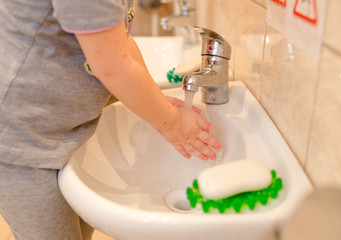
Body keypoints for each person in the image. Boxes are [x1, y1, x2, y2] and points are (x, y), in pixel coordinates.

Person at [0, 0, 222, 239]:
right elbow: (112, 64)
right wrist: (172, 123)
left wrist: (156, 101)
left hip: (54, 129)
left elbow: (122, 44)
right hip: (18, 139)